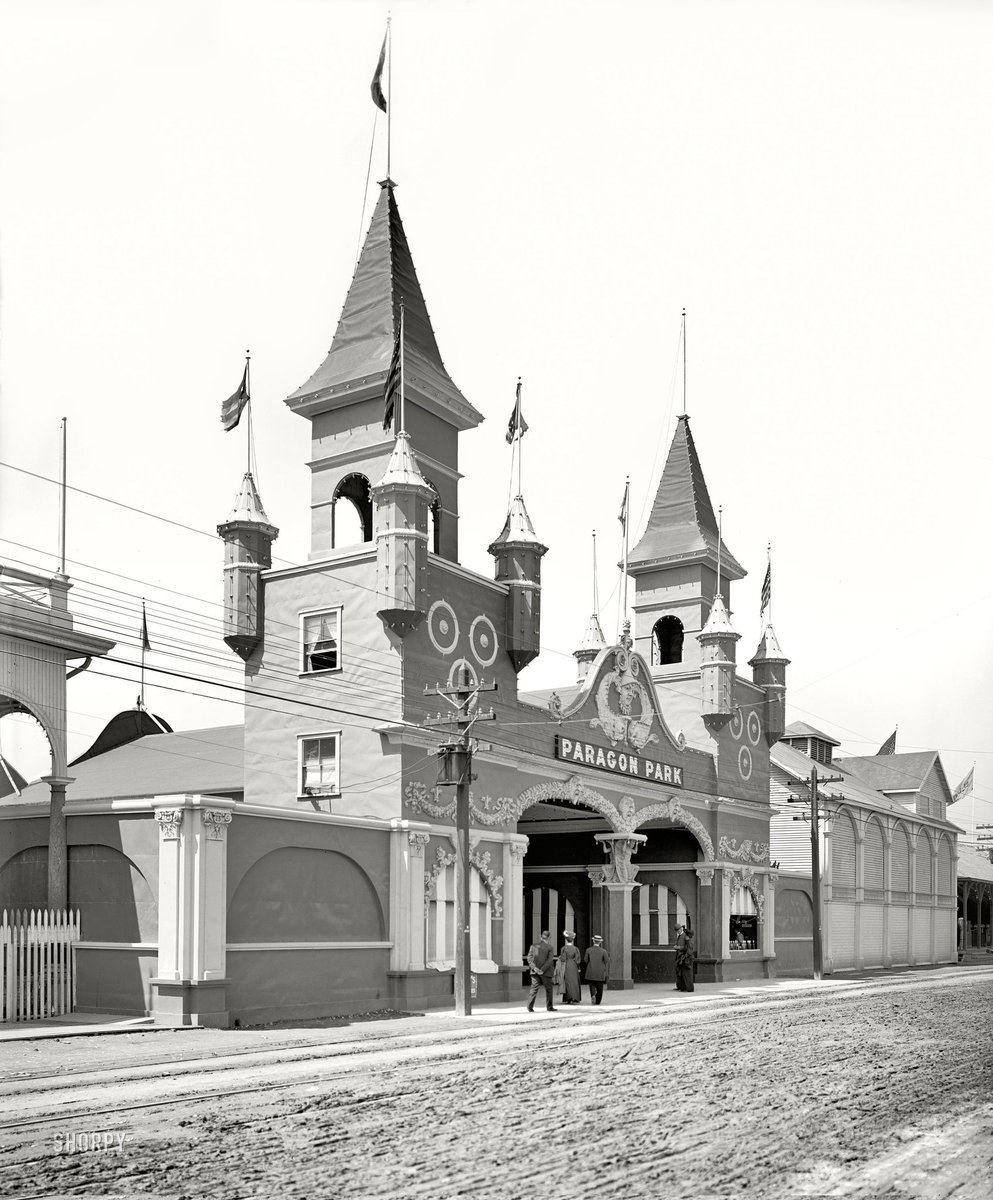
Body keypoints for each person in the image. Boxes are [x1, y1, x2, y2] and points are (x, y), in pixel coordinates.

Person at [526, 930, 557, 1012]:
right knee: (549, 989)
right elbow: (549, 961)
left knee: (534, 989)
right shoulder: (550, 947)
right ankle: (549, 1007)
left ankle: (529, 1006)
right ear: (549, 938)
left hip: (535, 972)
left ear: (541, 937)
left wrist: (535, 968)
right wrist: (542, 970)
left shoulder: (534, 946)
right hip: (546, 972)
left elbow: (530, 958)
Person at [583, 934, 609, 1005]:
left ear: (593, 941)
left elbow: (585, 960)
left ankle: (593, 995)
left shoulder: (588, 950)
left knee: (592, 985)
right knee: (600, 987)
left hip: (590, 971)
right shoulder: (604, 951)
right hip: (600, 972)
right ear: (600, 942)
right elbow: (606, 960)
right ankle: (598, 1001)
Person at [558, 931, 582, 1004]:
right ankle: (575, 998)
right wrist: (578, 967)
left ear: (566, 939)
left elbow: (563, 959)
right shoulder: (576, 949)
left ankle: (568, 998)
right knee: (575, 981)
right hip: (574, 965)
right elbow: (578, 960)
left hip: (566, 965)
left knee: (567, 981)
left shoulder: (563, 948)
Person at [676, 928, 696, 993]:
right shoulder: (688, 942)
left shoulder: (689, 942)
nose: (686, 937)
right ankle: (685, 987)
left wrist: (684, 957)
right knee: (685, 974)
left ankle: (689, 988)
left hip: (688, 960)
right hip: (687, 959)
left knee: (687, 975)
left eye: (686, 936)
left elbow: (689, 951)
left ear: (688, 936)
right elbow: (686, 949)